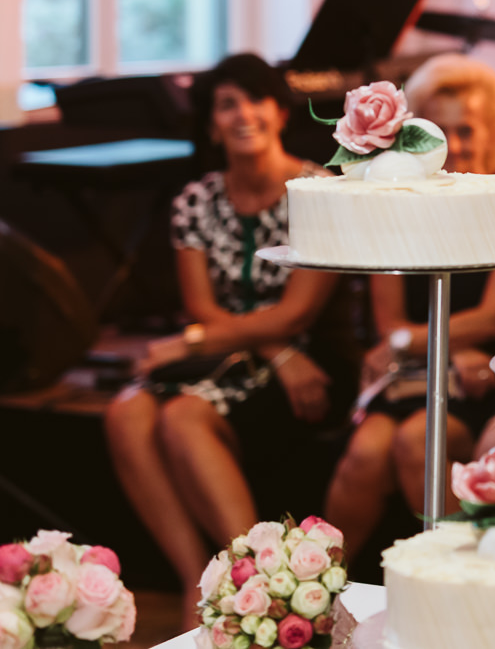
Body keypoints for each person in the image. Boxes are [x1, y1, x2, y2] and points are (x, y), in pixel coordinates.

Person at [103, 53, 339, 594]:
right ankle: (195, 580)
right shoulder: (195, 200)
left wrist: (260, 347)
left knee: (184, 417)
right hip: (237, 355)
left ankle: (254, 580)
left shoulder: (319, 191)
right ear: (211, 122)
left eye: (255, 99)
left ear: (280, 112)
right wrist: (218, 339)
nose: (242, 114)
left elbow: (298, 312)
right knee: (126, 414)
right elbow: (203, 310)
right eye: (226, 104)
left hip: (305, 358)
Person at [323, 53, 495, 559]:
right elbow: (388, 321)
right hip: (420, 371)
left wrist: (415, 342)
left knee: (413, 441)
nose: (456, 143)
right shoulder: (399, 204)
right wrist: (442, 350)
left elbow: (493, 319)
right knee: (364, 452)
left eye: (468, 128)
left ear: (494, 134)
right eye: (441, 130)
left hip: (485, 376)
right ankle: (322, 588)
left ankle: (461, 582)